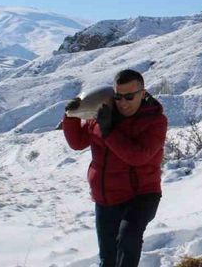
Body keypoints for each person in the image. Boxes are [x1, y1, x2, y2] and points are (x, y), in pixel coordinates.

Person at [63, 69, 167, 267]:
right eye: (118, 96)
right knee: (108, 259)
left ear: (143, 94)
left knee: (128, 239)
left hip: (141, 195)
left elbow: (138, 156)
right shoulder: (104, 115)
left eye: (129, 96)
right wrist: (71, 116)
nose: (123, 102)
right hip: (106, 198)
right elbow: (77, 143)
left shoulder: (155, 121)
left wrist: (108, 131)